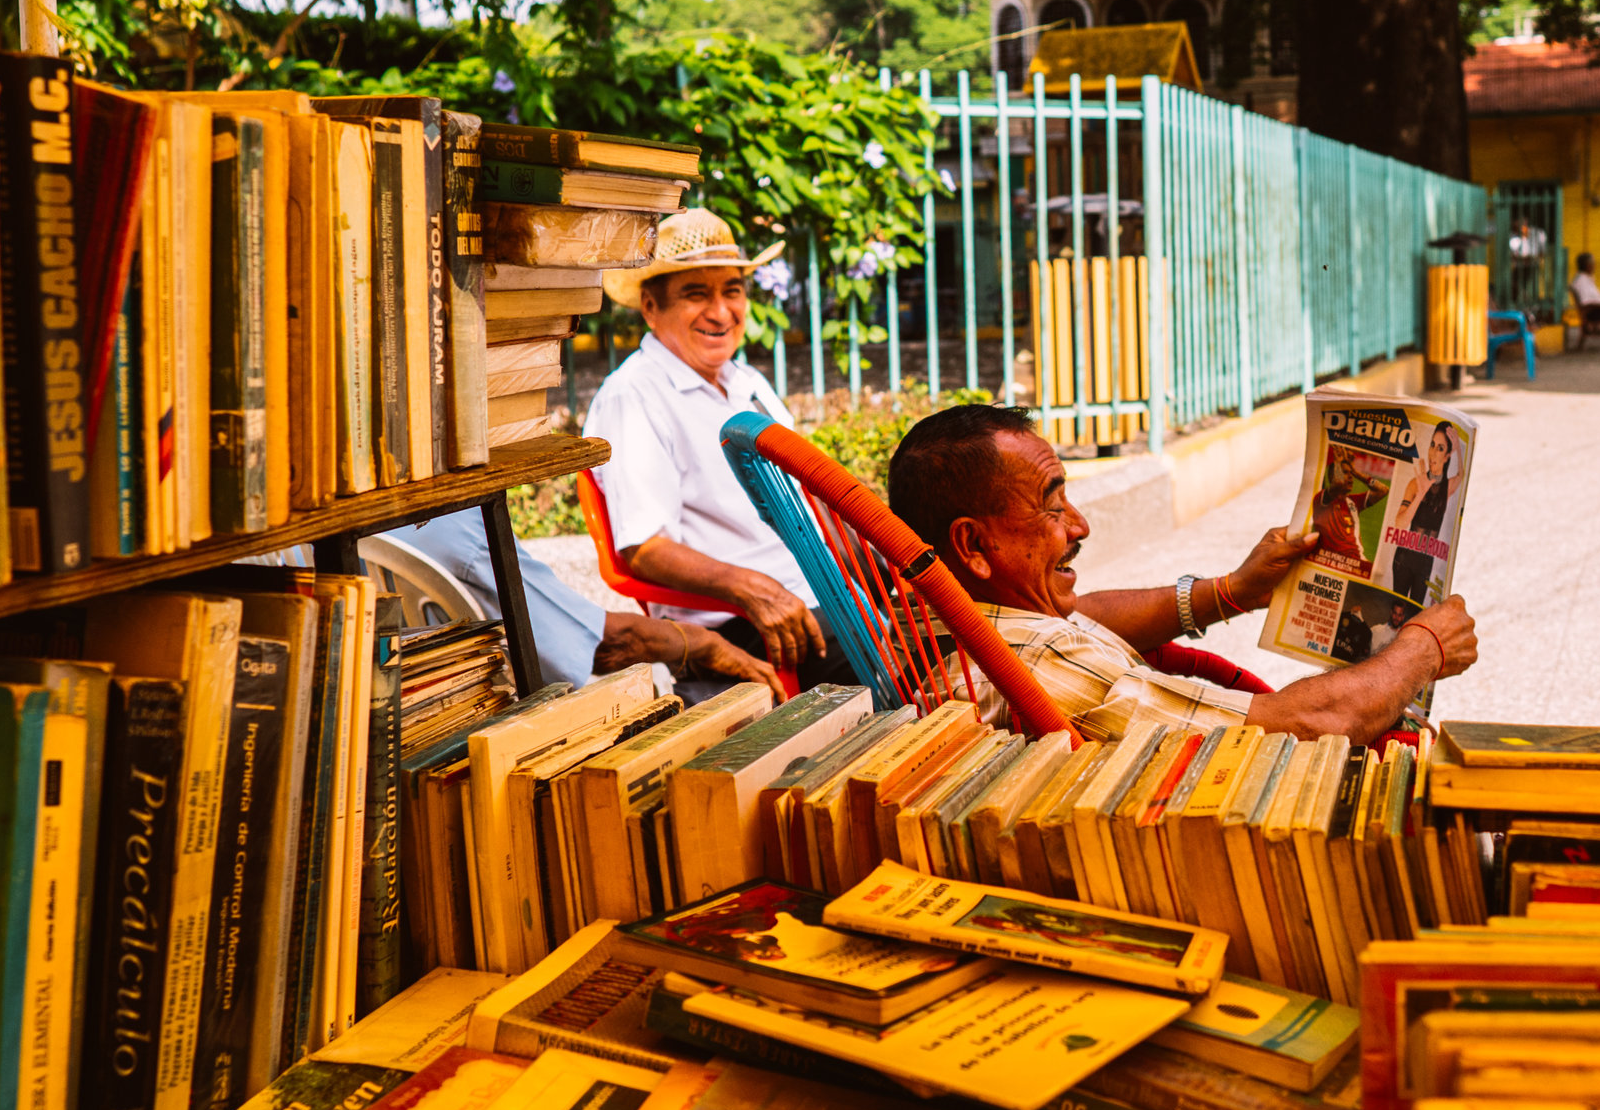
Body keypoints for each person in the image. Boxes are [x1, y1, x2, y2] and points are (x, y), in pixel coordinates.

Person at [885, 403, 1478, 744]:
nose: (1080, 526)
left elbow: (1084, 611)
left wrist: (1232, 591)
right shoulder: (1046, 665)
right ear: (974, 545)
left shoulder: (931, 615)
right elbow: (1302, 724)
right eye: (1051, 503)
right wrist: (1425, 646)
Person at [582, 209, 842, 686]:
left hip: (815, 596)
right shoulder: (635, 394)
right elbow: (645, 549)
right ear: (651, 308)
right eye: (696, 294)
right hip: (741, 622)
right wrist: (754, 590)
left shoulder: (746, 381)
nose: (721, 312)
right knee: (912, 682)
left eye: (732, 291)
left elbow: (804, 492)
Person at [387, 512, 779, 694]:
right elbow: (596, 646)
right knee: (739, 701)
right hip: (478, 718)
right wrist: (702, 643)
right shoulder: (453, 523)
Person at [1387, 421, 1455, 605]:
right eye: (1432, 445)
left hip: (1425, 563)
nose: (1433, 452)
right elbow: (1399, 524)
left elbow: (1462, 475)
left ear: (1448, 456)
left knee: (1414, 615)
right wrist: (1421, 493)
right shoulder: (1415, 483)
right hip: (1404, 560)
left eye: (1440, 448)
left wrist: (1459, 447)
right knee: (1397, 612)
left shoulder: (1448, 487)